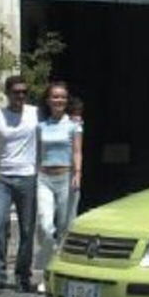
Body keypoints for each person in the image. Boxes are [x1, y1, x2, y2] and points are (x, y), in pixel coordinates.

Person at [0, 75, 39, 295]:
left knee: (27, 229)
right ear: (7, 94)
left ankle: (22, 276)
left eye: (24, 92)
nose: (20, 96)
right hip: (2, 177)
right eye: (16, 92)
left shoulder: (35, 113)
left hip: (28, 176)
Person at [34, 82, 83, 293]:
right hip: (44, 177)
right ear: (48, 100)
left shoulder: (74, 125)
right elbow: (37, 153)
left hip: (66, 177)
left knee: (65, 228)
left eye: (62, 97)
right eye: (55, 97)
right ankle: (47, 271)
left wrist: (78, 173)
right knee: (45, 226)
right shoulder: (41, 126)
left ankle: (60, 274)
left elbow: (77, 151)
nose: (59, 101)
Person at [64, 95, 84, 229]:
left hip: (71, 170)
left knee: (69, 211)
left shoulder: (77, 125)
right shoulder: (74, 124)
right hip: (65, 169)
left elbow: (78, 150)